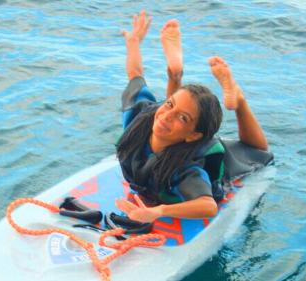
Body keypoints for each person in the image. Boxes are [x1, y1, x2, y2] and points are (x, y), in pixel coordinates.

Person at [115, 11, 269, 223]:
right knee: (173, 115)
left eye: (183, 118)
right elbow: (136, 76)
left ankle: (238, 99)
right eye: (168, 104)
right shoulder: (140, 119)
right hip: (175, 137)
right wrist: (133, 41)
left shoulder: (184, 167)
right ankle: (175, 74)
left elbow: (207, 206)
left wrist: (158, 211)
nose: (167, 115)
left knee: (259, 151)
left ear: (194, 136)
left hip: (214, 157)